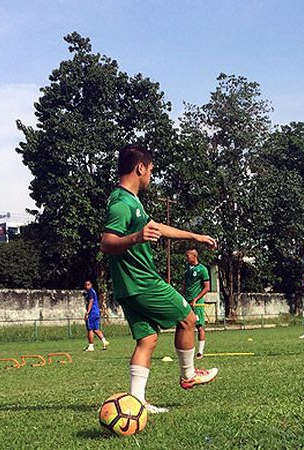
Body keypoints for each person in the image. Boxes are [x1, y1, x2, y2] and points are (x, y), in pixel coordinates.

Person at [99, 143, 218, 415]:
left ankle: (135, 403)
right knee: (187, 318)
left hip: (127, 287)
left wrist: (194, 236)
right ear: (140, 168)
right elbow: (107, 243)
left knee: (148, 339)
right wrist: (136, 238)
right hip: (142, 282)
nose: (151, 175)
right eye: (150, 169)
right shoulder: (121, 203)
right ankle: (188, 374)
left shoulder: (131, 200)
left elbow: (158, 228)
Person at [183, 248, 210, 360]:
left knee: (199, 326)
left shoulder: (202, 269)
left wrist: (195, 299)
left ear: (194, 256)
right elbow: (185, 283)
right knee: (185, 326)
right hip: (186, 301)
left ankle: (200, 352)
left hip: (196, 303)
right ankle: (187, 351)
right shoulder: (187, 268)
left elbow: (207, 287)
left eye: (188, 256)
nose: (186, 258)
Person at [83, 280, 109, 352]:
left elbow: (91, 301)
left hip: (92, 312)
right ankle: (104, 341)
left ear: (91, 285)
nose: (87, 286)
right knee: (95, 329)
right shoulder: (93, 291)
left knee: (90, 329)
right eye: (86, 285)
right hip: (96, 312)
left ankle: (91, 346)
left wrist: (87, 313)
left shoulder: (90, 292)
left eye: (88, 285)